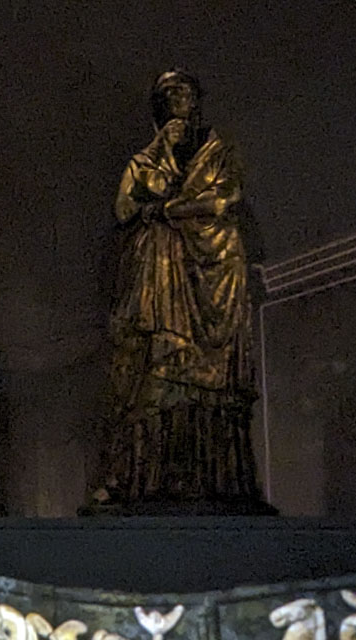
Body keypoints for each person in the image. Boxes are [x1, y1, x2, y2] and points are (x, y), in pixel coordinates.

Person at [92, 70, 262, 509]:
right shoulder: (145, 159)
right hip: (157, 272)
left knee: (211, 379)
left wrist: (167, 209)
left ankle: (216, 480)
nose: (176, 100)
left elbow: (225, 199)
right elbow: (125, 207)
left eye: (183, 91)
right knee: (152, 367)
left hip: (215, 267)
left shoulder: (220, 153)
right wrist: (160, 149)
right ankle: (146, 477)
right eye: (167, 94)